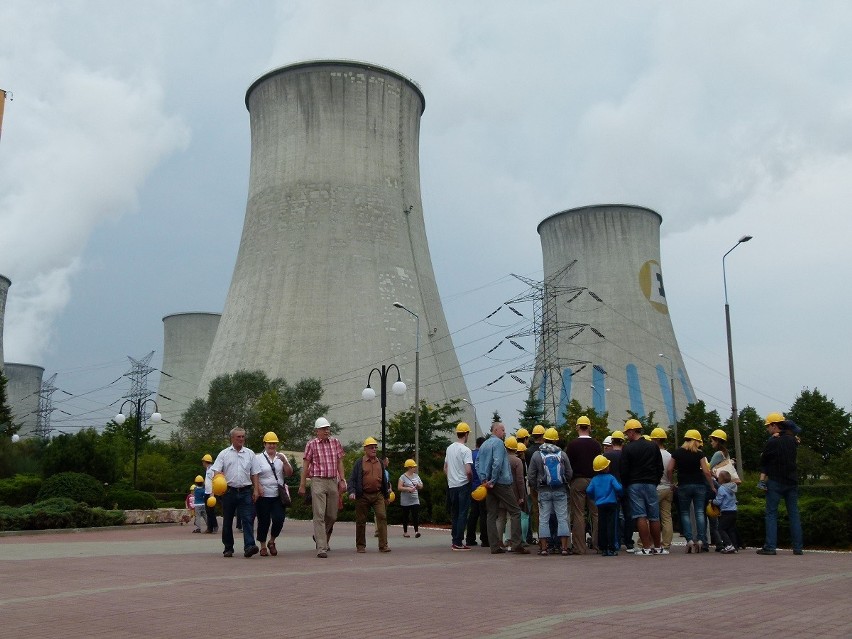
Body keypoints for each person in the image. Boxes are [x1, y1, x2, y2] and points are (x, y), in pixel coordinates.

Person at [477, 421, 529, 554]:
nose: (504, 432)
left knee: (491, 514)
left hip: (487, 484)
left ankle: (494, 546)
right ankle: (517, 544)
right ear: (496, 431)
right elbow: (498, 462)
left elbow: (477, 463)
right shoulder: (499, 443)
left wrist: (484, 479)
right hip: (501, 482)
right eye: (503, 430)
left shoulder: (484, 445)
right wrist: (493, 480)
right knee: (515, 511)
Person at [299, 416, 346, 559]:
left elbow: (339, 462)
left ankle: (319, 535)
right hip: (317, 480)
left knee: (332, 515)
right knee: (318, 514)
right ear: (317, 431)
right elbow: (306, 465)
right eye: (323, 429)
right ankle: (321, 547)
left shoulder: (335, 442)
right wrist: (302, 485)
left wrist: (342, 480)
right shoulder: (311, 444)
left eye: (328, 428)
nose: (326, 431)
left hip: (332, 480)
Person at [757, 412, 803, 555]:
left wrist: (762, 481)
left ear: (774, 425)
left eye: (768, 426)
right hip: (792, 481)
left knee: (771, 514)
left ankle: (770, 547)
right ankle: (798, 548)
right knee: (794, 514)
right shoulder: (792, 441)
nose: (767, 429)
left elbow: (763, 461)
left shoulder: (772, 441)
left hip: (775, 481)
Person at [210, 427, 260, 558]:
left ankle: (249, 546)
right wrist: (218, 480)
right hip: (229, 492)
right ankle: (228, 548)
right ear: (232, 438)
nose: (241, 439)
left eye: (243, 437)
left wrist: (256, 489)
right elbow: (216, 471)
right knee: (227, 521)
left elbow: (255, 473)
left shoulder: (250, 454)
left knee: (248, 519)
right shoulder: (224, 454)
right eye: (238, 437)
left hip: (245, 491)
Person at [619, 419, 665, 555]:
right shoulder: (653, 446)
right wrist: (655, 481)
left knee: (640, 516)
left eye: (627, 433)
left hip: (634, 484)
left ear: (632, 432)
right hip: (651, 483)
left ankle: (646, 547)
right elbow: (659, 467)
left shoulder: (628, 448)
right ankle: (658, 547)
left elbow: (623, 470)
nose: (627, 436)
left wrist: (626, 485)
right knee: (654, 517)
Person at [666, 429, 715, 554]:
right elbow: (706, 471)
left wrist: (672, 483)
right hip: (699, 485)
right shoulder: (700, 454)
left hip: (683, 486)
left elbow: (670, 469)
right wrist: (711, 486)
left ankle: (689, 540)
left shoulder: (677, 453)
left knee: (685, 513)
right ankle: (700, 540)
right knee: (699, 512)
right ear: (696, 441)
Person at [527, 427, 572, 556]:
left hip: (543, 490)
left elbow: (531, 475)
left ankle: (544, 548)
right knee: (562, 518)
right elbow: (569, 473)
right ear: (556, 440)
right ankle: (563, 548)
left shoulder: (537, 455)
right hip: (560, 490)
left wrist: (536, 487)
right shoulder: (562, 454)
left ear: (545, 439)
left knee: (544, 518)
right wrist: (564, 483)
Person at [348, 437, 391, 553]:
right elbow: (352, 479)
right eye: (371, 447)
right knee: (361, 520)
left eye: (375, 447)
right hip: (363, 496)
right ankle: (360, 546)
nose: (374, 449)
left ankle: (383, 545)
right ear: (365, 449)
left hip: (378, 495)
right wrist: (352, 492)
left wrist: (386, 496)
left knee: (382, 517)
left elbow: (384, 482)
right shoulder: (359, 463)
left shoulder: (380, 463)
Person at [253, 431, 292, 557]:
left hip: (277, 495)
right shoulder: (258, 458)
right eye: (269, 443)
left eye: (274, 443)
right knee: (263, 521)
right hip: (263, 495)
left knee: (279, 519)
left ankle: (272, 541)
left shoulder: (281, 458)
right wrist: (258, 486)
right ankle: (263, 546)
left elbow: (290, 473)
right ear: (264, 444)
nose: (272, 446)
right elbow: (253, 474)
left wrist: (285, 462)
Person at [566, 415, 602, 554]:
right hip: (594, 481)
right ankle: (598, 545)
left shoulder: (572, 445)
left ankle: (580, 547)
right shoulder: (596, 445)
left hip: (578, 481)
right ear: (589, 428)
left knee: (578, 514)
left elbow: (568, 466)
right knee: (596, 514)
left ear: (577, 428)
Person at [444, 422, 473, 551]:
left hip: (452, 485)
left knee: (454, 513)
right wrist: (470, 480)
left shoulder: (449, 448)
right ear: (466, 434)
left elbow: (445, 468)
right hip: (463, 485)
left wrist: (451, 477)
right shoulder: (466, 450)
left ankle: (454, 540)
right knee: (463, 513)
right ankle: (459, 541)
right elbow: (468, 470)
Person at [586, 455, 623, 556]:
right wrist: (620, 495)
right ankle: (611, 548)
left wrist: (594, 497)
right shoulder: (611, 478)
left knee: (602, 525)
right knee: (611, 525)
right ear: (607, 467)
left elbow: (589, 490)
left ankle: (603, 548)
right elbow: (618, 488)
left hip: (600, 504)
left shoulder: (594, 479)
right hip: (612, 504)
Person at [604, 429, 633, 553]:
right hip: (626, 486)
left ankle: (615, 540)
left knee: (614, 516)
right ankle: (628, 541)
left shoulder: (606, 456)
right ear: (622, 441)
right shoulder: (627, 455)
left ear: (612, 441)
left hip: (611, 489)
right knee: (628, 515)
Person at [708, 429, 736, 551]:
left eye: (712, 440)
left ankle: (726, 544)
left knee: (721, 525)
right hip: (728, 487)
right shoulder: (726, 453)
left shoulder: (718, 454)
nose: (711, 442)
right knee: (730, 526)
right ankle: (734, 544)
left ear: (717, 440)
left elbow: (708, 468)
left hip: (720, 486)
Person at [495, 436, 526, 549]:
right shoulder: (517, 461)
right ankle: (512, 541)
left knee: (500, 517)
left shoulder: (500, 459)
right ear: (515, 448)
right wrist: (521, 496)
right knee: (512, 517)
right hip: (513, 494)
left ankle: (498, 541)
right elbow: (520, 480)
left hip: (500, 491)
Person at [650, 428, 673, 552]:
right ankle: (666, 545)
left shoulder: (652, 454)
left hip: (656, 488)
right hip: (668, 488)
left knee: (650, 516)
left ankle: (644, 543)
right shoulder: (669, 455)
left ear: (656, 439)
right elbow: (671, 471)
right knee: (666, 517)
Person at [524, 425, 546, 545]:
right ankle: (548, 536)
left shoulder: (528, 451)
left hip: (534, 484)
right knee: (547, 510)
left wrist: (532, 484)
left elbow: (530, 470)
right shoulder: (545, 450)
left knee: (536, 511)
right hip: (546, 484)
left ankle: (540, 536)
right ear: (543, 435)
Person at [465, 436, 489, 547]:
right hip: (483, 488)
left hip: (472, 487)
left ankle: (470, 538)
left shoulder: (470, 454)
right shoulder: (484, 455)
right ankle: (485, 539)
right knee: (484, 514)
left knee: (473, 514)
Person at [711, 470, 739, 553]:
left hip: (726, 512)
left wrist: (712, 501)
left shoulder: (722, 488)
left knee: (721, 529)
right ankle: (735, 546)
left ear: (722, 479)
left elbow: (718, 501)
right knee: (731, 529)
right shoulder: (732, 487)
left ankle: (728, 545)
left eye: (719, 477)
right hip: (734, 511)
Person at [398, 458, 423, 538]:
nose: (415, 468)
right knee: (406, 516)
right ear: (409, 467)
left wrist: (419, 486)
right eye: (413, 467)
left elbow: (421, 485)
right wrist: (408, 489)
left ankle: (416, 531)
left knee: (415, 515)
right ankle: (405, 532)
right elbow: (399, 487)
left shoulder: (416, 476)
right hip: (406, 500)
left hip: (415, 499)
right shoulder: (402, 477)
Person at [201, 453, 218, 534]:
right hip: (207, 492)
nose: (202, 463)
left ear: (206, 461)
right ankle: (210, 528)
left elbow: (214, 481)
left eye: (203, 461)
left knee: (211, 511)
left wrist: (212, 493)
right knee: (208, 511)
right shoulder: (207, 469)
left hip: (211, 493)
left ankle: (214, 526)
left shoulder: (212, 469)